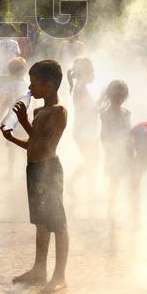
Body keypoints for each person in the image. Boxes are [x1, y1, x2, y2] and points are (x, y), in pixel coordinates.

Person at [2, 59, 68, 294]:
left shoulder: (58, 112)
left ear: (49, 86)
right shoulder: (40, 111)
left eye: (34, 84)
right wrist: (12, 138)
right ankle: (39, 269)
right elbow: (32, 145)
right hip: (35, 168)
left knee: (58, 224)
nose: (30, 89)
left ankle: (59, 275)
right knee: (41, 221)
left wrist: (23, 122)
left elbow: (45, 144)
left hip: (49, 169)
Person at [67, 57, 99, 199]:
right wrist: (100, 106)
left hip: (85, 129)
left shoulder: (80, 87)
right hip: (84, 130)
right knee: (92, 160)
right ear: (83, 73)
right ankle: (71, 182)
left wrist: (100, 105)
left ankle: (90, 190)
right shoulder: (80, 88)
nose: (93, 75)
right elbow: (85, 111)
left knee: (92, 160)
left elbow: (88, 109)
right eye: (91, 72)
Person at [100, 79, 132, 220]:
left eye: (121, 96)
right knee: (115, 180)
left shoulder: (126, 113)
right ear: (110, 96)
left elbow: (129, 132)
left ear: (124, 97)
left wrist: (130, 150)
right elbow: (103, 135)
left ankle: (125, 207)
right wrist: (109, 150)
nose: (118, 98)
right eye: (116, 95)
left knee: (126, 180)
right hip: (113, 152)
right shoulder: (106, 114)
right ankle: (111, 209)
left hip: (124, 151)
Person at [0, 55, 29, 178]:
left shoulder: (10, 86)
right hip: (26, 121)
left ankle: (10, 173)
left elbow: (6, 103)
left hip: (13, 121)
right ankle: (28, 173)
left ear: (9, 71)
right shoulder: (29, 85)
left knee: (12, 148)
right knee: (27, 147)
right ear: (25, 70)